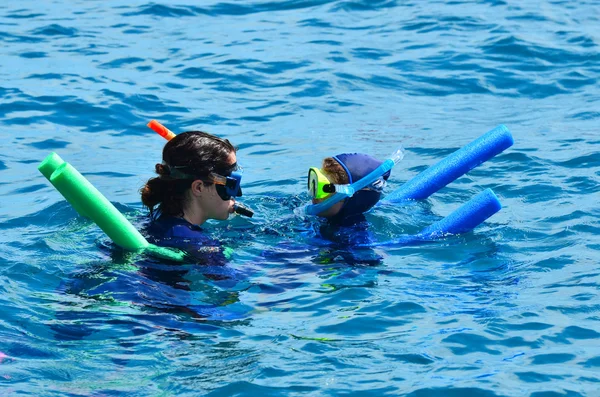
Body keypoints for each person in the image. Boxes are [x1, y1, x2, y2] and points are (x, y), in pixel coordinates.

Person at [140, 131, 244, 258]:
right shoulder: (197, 246)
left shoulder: (157, 216)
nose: (238, 193)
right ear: (198, 188)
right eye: (231, 184)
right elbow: (236, 278)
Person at [307, 152, 391, 226]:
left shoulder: (352, 239)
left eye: (321, 188)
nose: (313, 194)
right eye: (314, 182)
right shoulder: (324, 215)